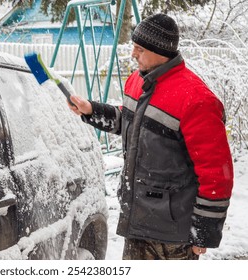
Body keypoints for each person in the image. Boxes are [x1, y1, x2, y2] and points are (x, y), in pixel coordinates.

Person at [67, 13, 234, 260]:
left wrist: (203, 233)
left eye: (140, 49)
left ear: (160, 51)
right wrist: (92, 111)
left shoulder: (196, 100)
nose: (133, 54)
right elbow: (129, 123)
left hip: (173, 236)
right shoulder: (137, 81)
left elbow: (216, 173)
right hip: (138, 220)